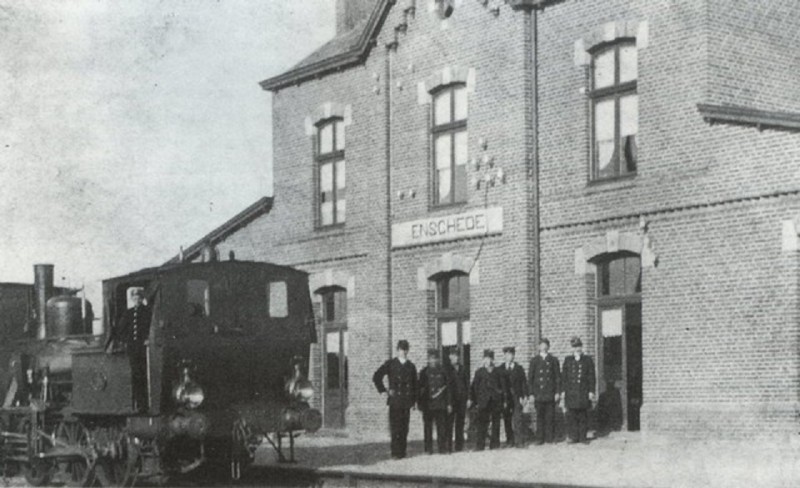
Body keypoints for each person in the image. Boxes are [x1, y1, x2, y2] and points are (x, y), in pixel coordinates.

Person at [105, 288, 152, 412]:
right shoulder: (128, 313)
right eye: (135, 298)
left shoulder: (147, 312)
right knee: (136, 376)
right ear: (132, 299)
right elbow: (120, 331)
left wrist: (148, 338)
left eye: (139, 298)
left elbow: (151, 328)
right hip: (133, 348)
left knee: (144, 375)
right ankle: (140, 404)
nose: (137, 300)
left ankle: (146, 403)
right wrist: (128, 341)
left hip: (144, 348)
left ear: (142, 299)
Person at [372, 340, 417, 459]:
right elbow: (377, 376)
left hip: (406, 401)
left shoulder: (411, 366)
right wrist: (385, 390)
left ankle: (403, 452)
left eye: (405, 349)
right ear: (397, 350)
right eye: (401, 349)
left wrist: (414, 401)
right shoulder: (391, 364)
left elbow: (415, 385)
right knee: (395, 427)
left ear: (408, 350)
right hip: (395, 400)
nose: (404, 352)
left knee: (404, 427)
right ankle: (395, 452)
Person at [561, 336, 596, 444]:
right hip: (571, 393)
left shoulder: (587, 360)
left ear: (582, 347)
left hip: (582, 392)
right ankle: (573, 436)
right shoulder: (568, 360)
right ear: (572, 348)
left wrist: (591, 391)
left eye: (579, 347)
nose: (577, 349)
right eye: (575, 347)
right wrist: (563, 391)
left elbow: (591, 377)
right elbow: (564, 378)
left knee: (582, 415)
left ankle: (583, 437)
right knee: (572, 415)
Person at [468, 349, 505, 450]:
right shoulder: (479, 372)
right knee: (482, 423)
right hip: (483, 401)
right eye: (485, 359)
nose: (487, 361)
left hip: (495, 401)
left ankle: (495, 444)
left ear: (492, 360)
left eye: (489, 359)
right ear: (483, 360)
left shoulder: (498, 372)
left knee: (496, 423)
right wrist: (473, 399)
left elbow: (502, 387)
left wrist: (502, 399)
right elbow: (474, 387)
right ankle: (480, 445)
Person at [418, 349, 452, 454]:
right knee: (427, 428)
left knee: (441, 427)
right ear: (428, 359)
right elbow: (419, 389)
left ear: (438, 359)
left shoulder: (443, 371)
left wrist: (449, 403)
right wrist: (419, 403)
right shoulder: (423, 372)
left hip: (440, 403)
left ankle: (442, 448)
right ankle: (428, 449)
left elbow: (448, 389)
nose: (433, 361)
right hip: (428, 404)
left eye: (435, 358)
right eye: (431, 358)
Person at [528, 337, 560, 445]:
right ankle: (540, 438)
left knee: (550, 416)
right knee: (540, 416)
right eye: (541, 345)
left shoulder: (553, 360)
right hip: (539, 394)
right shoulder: (534, 361)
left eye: (546, 345)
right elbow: (530, 378)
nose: (544, 347)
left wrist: (557, 392)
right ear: (538, 347)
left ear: (548, 347)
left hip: (550, 393)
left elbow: (557, 378)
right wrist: (531, 393)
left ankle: (550, 437)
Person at [498, 346, 528, 447]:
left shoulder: (519, 368)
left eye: (510, 355)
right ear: (504, 356)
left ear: (514, 356)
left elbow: (524, 383)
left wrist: (524, 396)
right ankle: (509, 440)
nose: (509, 357)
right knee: (507, 419)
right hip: (506, 398)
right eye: (506, 355)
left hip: (516, 397)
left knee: (517, 418)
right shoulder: (500, 369)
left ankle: (519, 441)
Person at [444, 349, 469, 452]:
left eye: (457, 356)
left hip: (461, 401)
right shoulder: (446, 370)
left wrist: (468, 398)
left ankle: (459, 446)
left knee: (460, 423)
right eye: (454, 356)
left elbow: (467, 385)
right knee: (449, 424)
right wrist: (448, 403)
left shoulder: (463, 369)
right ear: (450, 357)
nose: (456, 358)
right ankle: (448, 447)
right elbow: (447, 388)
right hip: (451, 401)